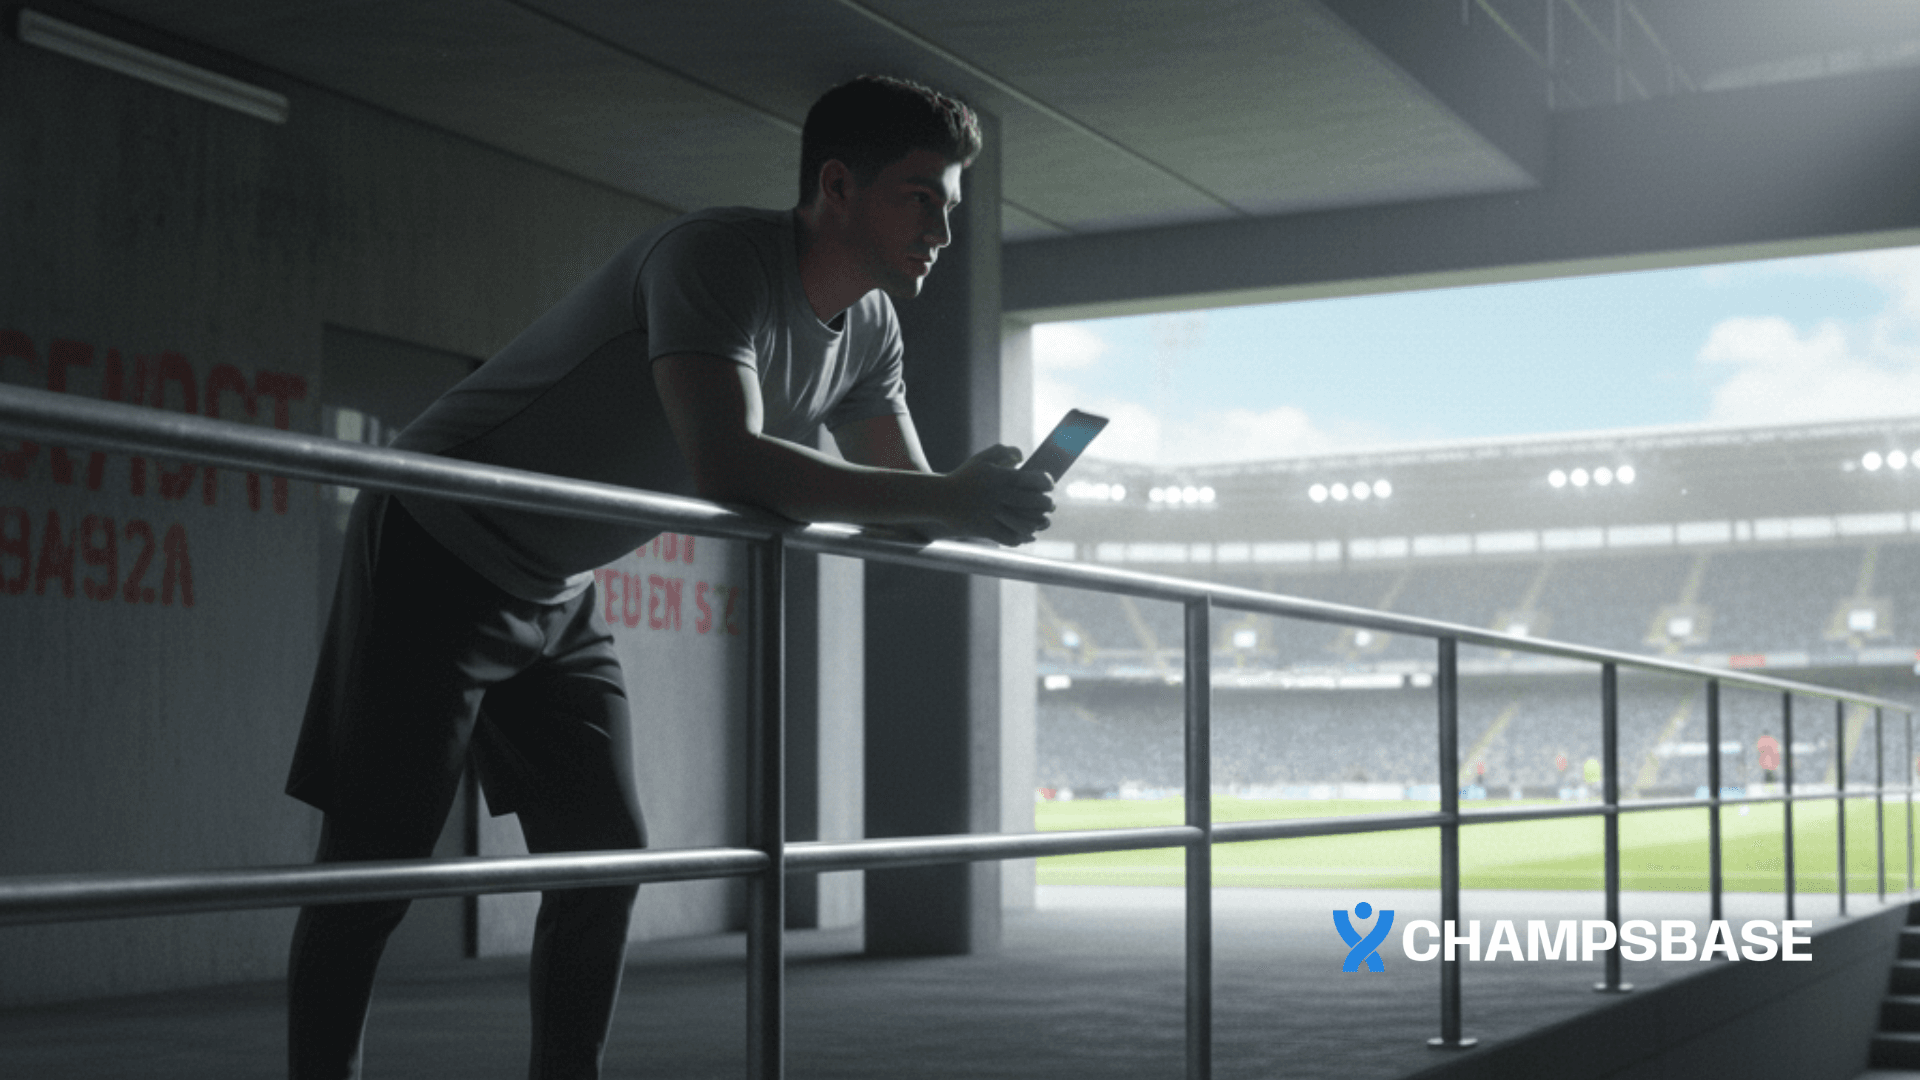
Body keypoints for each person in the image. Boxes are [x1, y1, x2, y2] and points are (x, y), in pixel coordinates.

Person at [282, 75, 1052, 1080]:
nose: (943, 230)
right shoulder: (716, 258)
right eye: (922, 197)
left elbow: (904, 501)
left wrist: (973, 501)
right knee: (373, 875)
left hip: (556, 590)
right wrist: (946, 500)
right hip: (437, 542)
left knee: (608, 859)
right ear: (835, 185)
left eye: (951, 204)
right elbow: (728, 463)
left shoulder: (871, 330)